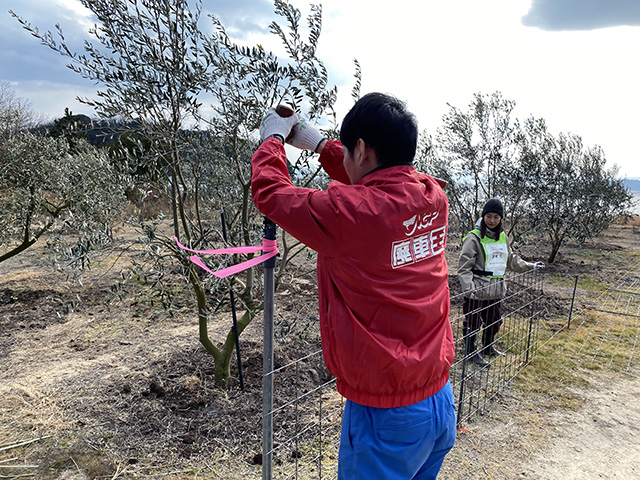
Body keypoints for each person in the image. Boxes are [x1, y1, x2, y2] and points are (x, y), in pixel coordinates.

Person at [251, 93, 456, 479]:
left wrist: (272, 141)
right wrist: (317, 143)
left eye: (348, 149)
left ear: (361, 149)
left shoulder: (352, 215)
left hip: (387, 417)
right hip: (438, 401)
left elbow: (271, 194)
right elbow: (381, 183)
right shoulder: (433, 196)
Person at [457, 198, 545, 367]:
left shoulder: (503, 237)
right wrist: (469, 289)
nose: (492, 220)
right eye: (488, 216)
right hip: (477, 290)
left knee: (494, 321)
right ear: (483, 217)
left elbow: (511, 260)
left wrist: (531, 266)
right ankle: (470, 352)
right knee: (473, 323)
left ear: (501, 219)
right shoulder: (473, 238)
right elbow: (464, 267)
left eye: (496, 217)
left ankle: (488, 348)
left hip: (496, 290)